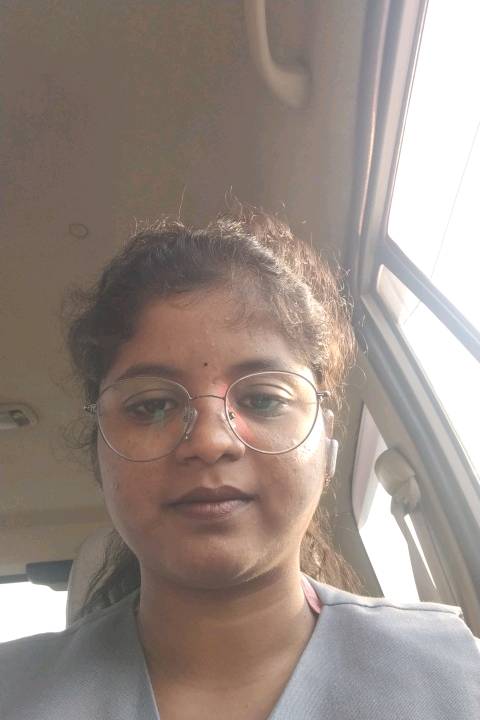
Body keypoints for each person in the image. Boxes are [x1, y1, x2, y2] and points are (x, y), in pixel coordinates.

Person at [1, 209, 478, 720]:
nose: (210, 441)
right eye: (151, 405)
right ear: (100, 457)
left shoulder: (456, 675)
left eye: (265, 400)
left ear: (325, 444)